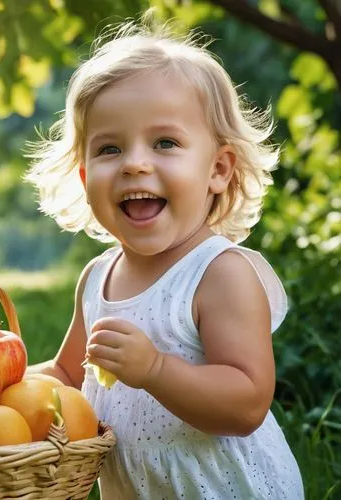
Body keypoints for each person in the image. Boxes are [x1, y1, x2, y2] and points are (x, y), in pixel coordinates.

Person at [25, 17, 304, 500]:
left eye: (165, 143)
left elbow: (246, 403)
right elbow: (70, 374)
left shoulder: (220, 274)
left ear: (217, 169)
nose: (135, 162)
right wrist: (3, 384)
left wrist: (155, 370)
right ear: (86, 174)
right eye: (110, 147)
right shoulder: (97, 278)